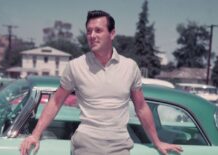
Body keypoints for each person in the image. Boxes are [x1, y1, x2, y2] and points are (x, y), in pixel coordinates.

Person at [20, 10, 183, 155]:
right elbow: (56, 101)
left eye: (98, 30)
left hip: (120, 148)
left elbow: (141, 107)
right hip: (86, 147)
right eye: (89, 31)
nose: (92, 35)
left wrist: (157, 141)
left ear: (112, 34)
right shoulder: (75, 66)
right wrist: (35, 134)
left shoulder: (130, 67)